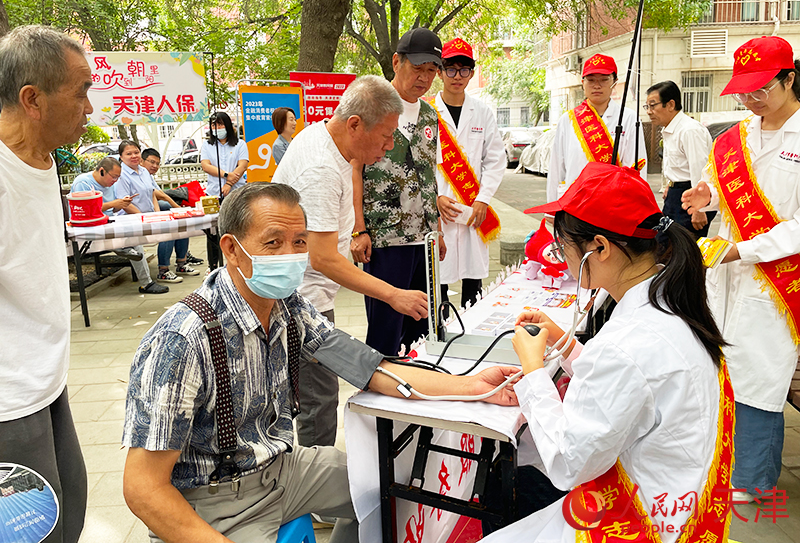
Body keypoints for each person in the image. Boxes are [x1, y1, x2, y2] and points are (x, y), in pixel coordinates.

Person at [121, 182, 518, 543]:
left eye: (299, 242)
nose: (291, 256)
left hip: (283, 470)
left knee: (394, 487)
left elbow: (371, 368)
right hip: (214, 498)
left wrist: (476, 386)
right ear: (230, 248)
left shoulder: (288, 306)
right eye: (273, 243)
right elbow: (143, 488)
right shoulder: (183, 339)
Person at [481, 162, 732, 542]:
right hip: (682, 505)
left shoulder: (626, 343)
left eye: (562, 246)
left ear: (599, 247)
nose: (561, 257)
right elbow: (632, 390)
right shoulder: (673, 304)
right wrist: (564, 345)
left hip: (642, 520)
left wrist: (533, 370)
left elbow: (569, 462)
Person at [273, 76, 427, 448]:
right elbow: (323, 258)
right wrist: (393, 294)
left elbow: (351, 182)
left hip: (308, 292)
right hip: (298, 297)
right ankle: (313, 488)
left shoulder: (329, 140)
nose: (390, 147)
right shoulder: (321, 170)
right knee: (318, 399)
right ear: (355, 124)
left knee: (316, 394)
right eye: (386, 136)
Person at [682, 35, 800, 502]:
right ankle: (716, 459)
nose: (751, 101)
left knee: (760, 374)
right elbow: (716, 186)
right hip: (724, 272)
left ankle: (752, 479)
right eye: (744, 92)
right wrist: (704, 198)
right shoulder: (733, 138)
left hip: (778, 280)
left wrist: (745, 250)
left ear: (789, 79)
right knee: (719, 366)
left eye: (761, 91)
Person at [0, 24, 92, 543]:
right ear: (32, 99)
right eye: (80, 91)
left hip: (47, 383)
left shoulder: (42, 157)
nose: (89, 106)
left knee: (68, 513)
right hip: (7, 400)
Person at [352, 27, 445, 356]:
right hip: (384, 237)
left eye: (432, 71)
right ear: (396, 61)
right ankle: (379, 404)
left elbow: (429, 175)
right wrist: (358, 227)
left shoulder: (431, 115)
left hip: (425, 239)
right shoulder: (372, 105)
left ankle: (416, 388)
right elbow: (355, 168)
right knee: (386, 329)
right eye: (418, 68)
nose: (424, 78)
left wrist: (438, 230)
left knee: (423, 326)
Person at [433, 38, 505, 311]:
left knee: (473, 280)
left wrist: (484, 199)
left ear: (472, 73)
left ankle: (471, 327)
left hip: (474, 207)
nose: (457, 76)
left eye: (464, 70)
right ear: (440, 71)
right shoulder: (428, 112)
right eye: (450, 69)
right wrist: (434, 198)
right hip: (441, 210)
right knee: (438, 276)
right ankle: (438, 333)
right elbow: (419, 163)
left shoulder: (482, 112)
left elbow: (496, 159)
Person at [547, 54, 647, 202]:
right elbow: (557, 166)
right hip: (574, 202)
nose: (597, 85)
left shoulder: (629, 118)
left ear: (614, 82)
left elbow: (637, 167)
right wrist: (552, 208)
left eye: (604, 79)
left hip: (613, 203)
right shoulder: (568, 120)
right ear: (582, 82)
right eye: (591, 80)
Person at [645, 80, 716, 237]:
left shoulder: (689, 130)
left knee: (683, 249)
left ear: (670, 105)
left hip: (692, 197)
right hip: (676, 194)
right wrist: (670, 185)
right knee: (664, 244)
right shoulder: (671, 129)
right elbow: (679, 165)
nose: (649, 111)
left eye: (653, 105)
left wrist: (699, 209)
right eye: (647, 107)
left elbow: (701, 170)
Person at [113, 140, 170, 293]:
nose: (134, 156)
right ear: (121, 156)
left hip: (147, 217)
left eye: (136, 152)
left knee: (172, 227)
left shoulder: (143, 171)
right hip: (129, 218)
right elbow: (124, 202)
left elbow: (152, 193)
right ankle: (147, 283)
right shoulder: (122, 174)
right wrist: (144, 217)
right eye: (128, 153)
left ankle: (177, 264)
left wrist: (156, 214)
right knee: (134, 242)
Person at [141, 147, 204, 276]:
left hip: (152, 211)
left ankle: (182, 262)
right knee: (169, 228)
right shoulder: (128, 174)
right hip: (139, 214)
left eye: (157, 163)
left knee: (181, 222)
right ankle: (163, 271)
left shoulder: (145, 175)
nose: (155, 166)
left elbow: (156, 194)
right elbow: (159, 195)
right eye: (151, 162)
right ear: (142, 161)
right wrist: (174, 208)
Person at [201, 111, 249, 273]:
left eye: (221, 124)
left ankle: (239, 263)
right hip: (214, 193)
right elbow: (206, 166)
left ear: (228, 125)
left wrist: (229, 184)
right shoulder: (207, 145)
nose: (218, 128)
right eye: (214, 125)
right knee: (212, 232)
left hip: (236, 194)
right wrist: (226, 175)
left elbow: (242, 166)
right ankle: (213, 266)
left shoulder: (239, 144)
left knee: (237, 229)